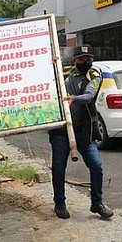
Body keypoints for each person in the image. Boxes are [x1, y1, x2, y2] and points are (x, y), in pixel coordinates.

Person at [48, 44, 114, 219]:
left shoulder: (94, 74)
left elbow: (89, 96)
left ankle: (97, 204)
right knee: (58, 168)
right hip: (60, 131)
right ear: (75, 60)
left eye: (89, 58)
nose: (87, 61)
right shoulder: (65, 76)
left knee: (96, 165)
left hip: (84, 131)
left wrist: (74, 99)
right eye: (83, 59)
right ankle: (59, 203)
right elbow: (49, 83)